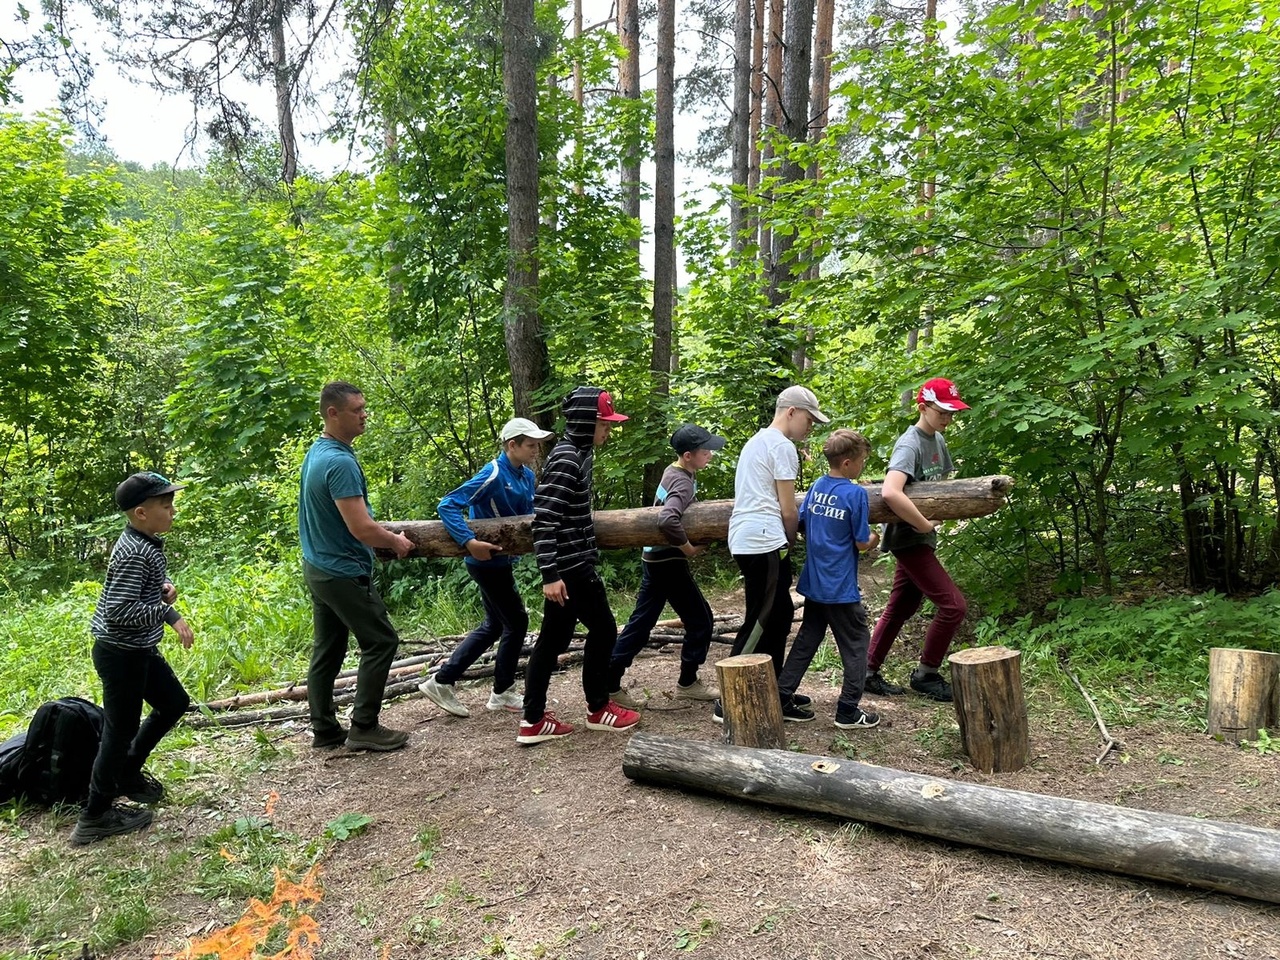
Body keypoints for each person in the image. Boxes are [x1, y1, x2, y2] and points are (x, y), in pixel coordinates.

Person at [72, 472, 194, 846]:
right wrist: (167, 613)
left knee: (174, 703)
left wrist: (163, 589)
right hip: (120, 654)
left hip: (138, 650)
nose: (172, 511)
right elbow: (118, 610)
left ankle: (127, 772)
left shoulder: (146, 542)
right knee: (119, 729)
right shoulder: (134, 552)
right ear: (141, 513)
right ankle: (94, 815)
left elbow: (140, 590)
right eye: (165, 506)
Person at [517, 387, 641, 745]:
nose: (609, 431)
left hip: (570, 564)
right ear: (587, 422)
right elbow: (544, 519)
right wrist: (550, 574)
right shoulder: (567, 459)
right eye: (604, 424)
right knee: (604, 630)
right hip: (570, 568)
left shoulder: (577, 454)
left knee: (552, 640)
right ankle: (599, 708)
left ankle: (533, 720)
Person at [299, 381, 414, 752]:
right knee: (381, 641)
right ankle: (364, 726)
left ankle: (324, 729)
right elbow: (361, 527)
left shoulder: (318, 452)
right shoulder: (339, 462)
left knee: (328, 649)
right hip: (342, 571)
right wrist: (395, 541)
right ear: (333, 413)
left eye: (364, 408)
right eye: (357, 410)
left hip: (318, 567)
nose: (364, 415)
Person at [421, 417, 554, 717]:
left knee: (495, 625)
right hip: (486, 564)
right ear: (512, 445)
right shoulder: (493, 473)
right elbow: (448, 504)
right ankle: (496, 690)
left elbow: (528, 515)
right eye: (531, 445)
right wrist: (469, 542)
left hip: (502, 562)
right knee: (517, 622)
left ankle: (445, 681)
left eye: (537, 445)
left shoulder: (525, 475)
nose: (536, 450)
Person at [718, 385, 828, 723]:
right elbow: (787, 508)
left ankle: (771, 689)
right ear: (791, 412)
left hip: (751, 537)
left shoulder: (757, 441)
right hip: (764, 540)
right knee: (761, 619)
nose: (811, 427)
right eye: (809, 420)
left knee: (779, 615)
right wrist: (791, 539)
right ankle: (728, 699)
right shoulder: (782, 446)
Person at [864, 377, 970, 702]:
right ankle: (927, 675)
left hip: (921, 537)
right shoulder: (909, 444)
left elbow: (942, 485)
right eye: (942, 412)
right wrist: (924, 524)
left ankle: (865, 672)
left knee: (901, 606)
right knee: (953, 606)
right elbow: (890, 491)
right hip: (907, 537)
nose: (947, 419)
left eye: (951, 413)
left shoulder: (937, 440)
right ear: (923, 408)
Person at [606, 424, 727, 708]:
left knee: (642, 623)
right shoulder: (682, 481)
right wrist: (689, 549)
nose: (710, 454)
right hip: (667, 562)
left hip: (656, 559)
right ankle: (686, 682)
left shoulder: (674, 471)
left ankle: (609, 680)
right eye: (705, 451)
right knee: (700, 620)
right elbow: (667, 519)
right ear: (688, 455)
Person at [776, 430, 881, 729]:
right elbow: (861, 542)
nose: (862, 466)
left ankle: (782, 695)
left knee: (808, 637)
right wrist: (876, 537)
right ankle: (848, 709)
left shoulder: (818, 486)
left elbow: (803, 521)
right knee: (857, 643)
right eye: (861, 461)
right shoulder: (856, 494)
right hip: (840, 586)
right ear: (847, 463)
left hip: (815, 581)